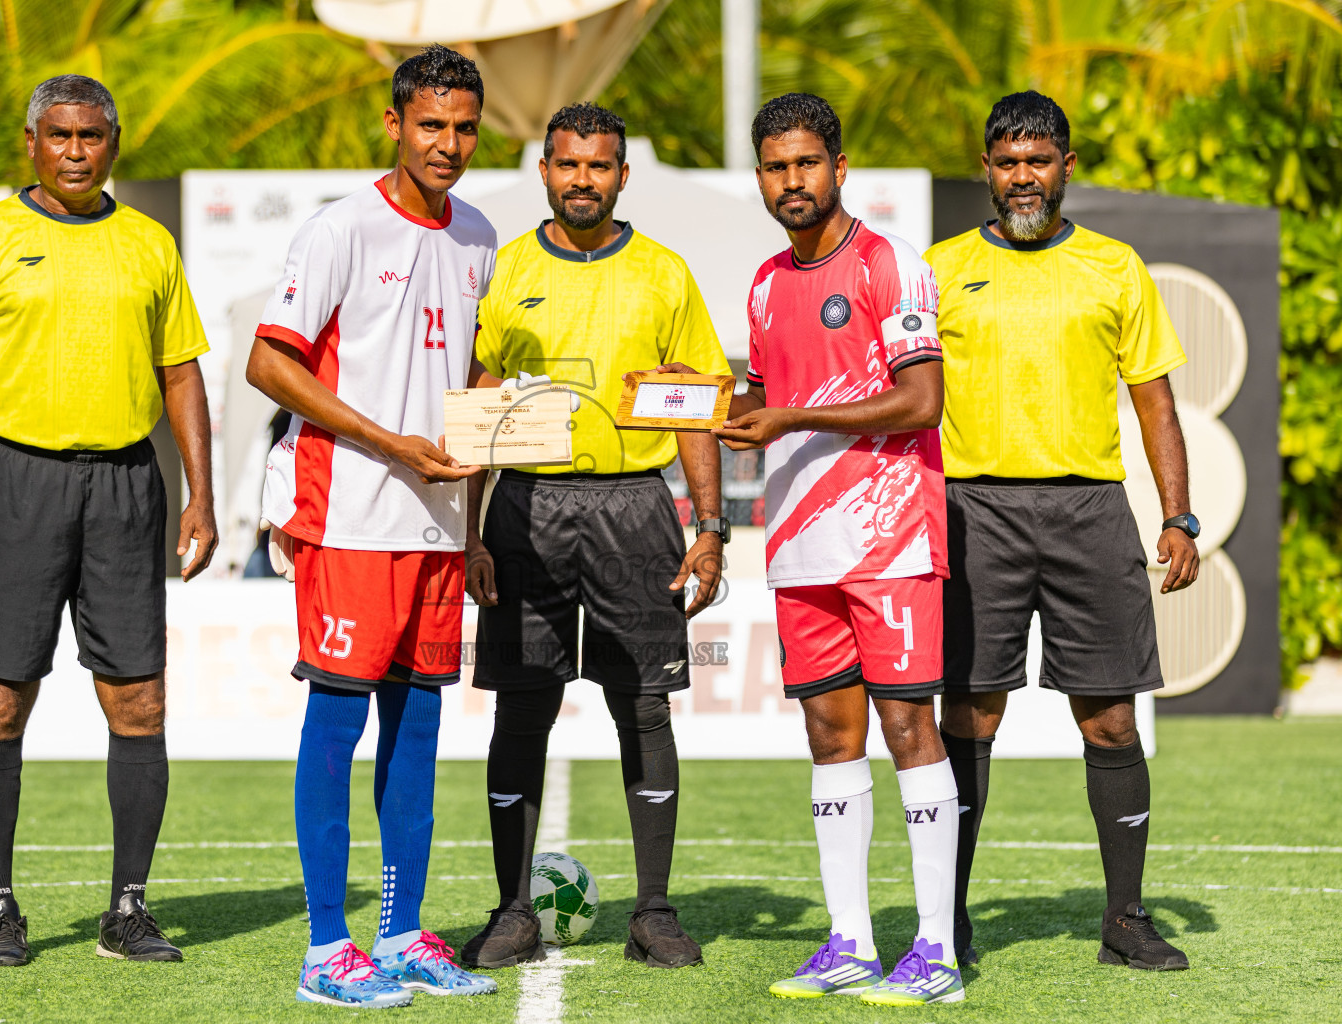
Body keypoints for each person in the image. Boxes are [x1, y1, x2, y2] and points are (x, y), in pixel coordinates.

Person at [0, 74, 218, 967]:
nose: (77, 151)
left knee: (140, 699)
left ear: (113, 144)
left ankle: (128, 909)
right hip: (13, 481)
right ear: (33, 144)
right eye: (60, 135)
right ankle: (0, 908)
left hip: (126, 484)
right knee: (2, 697)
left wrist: (200, 491)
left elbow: (183, 372)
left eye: (92, 136)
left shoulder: (150, 244)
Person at [244, 45, 503, 1008]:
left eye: (464, 127)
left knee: (422, 725)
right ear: (393, 123)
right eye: (430, 124)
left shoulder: (478, 232)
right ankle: (325, 949)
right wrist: (390, 442)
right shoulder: (339, 230)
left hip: (437, 525)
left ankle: (400, 932)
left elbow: (469, 385)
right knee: (339, 721)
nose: (448, 143)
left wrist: (471, 518)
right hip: (349, 511)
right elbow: (269, 367)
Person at [926, 90, 1198, 972]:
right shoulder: (937, 269)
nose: (1022, 178)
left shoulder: (1117, 268)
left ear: (1066, 166)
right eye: (1007, 162)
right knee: (969, 717)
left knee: (1112, 721)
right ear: (987, 169)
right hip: (975, 515)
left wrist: (1178, 515)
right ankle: (948, 920)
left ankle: (1124, 920)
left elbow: (1154, 404)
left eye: (1038, 161)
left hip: (1090, 513)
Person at [458, 102, 731, 972]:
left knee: (643, 705)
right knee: (522, 707)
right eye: (569, 165)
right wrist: (470, 533)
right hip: (526, 507)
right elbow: (476, 405)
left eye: (600, 166)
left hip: (635, 510)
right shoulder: (501, 271)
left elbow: (695, 406)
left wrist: (710, 523)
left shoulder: (663, 272)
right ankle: (511, 911)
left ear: (621, 175)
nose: (585, 180)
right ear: (544, 170)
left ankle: (654, 911)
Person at [714, 93, 965, 1006]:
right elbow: (757, 403)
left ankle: (935, 949)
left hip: (890, 536)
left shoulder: (886, 264)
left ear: (839, 167)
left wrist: (791, 413)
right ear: (761, 178)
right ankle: (849, 941)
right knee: (829, 733)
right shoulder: (762, 283)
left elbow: (922, 401)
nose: (793, 181)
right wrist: (698, 406)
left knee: (907, 727)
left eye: (807, 164)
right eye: (777, 168)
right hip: (798, 545)